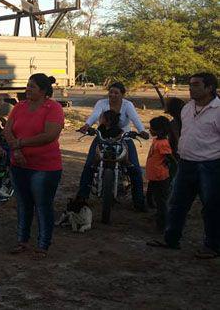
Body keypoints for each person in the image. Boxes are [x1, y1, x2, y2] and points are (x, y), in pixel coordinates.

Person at [148, 72, 220, 259]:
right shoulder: (187, 109)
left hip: (210, 166)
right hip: (186, 163)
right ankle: (171, 239)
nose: (190, 88)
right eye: (190, 84)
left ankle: (212, 246)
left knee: (211, 206)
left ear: (210, 88)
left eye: (196, 85)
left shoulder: (218, 110)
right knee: (177, 203)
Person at [3, 74, 64, 258]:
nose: (27, 89)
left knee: (43, 205)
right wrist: (16, 149)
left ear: (43, 91)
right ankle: (22, 241)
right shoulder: (19, 107)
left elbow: (50, 135)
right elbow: (7, 130)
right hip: (19, 163)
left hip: (44, 167)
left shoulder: (53, 108)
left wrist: (20, 143)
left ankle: (43, 245)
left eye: (32, 86)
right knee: (23, 204)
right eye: (27, 85)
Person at [76, 82, 150, 211]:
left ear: (123, 94)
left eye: (116, 93)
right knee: (89, 166)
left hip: (123, 138)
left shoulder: (128, 105)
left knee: (135, 170)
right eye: (111, 92)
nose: (113, 95)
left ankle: (139, 201)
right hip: (102, 138)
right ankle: (81, 198)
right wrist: (87, 125)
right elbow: (94, 115)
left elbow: (135, 119)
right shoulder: (101, 103)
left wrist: (142, 130)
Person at [144, 116, 174, 232]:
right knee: (155, 198)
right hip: (154, 176)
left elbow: (170, 159)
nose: (150, 130)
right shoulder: (156, 140)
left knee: (161, 201)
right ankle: (159, 219)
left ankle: (162, 225)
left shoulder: (163, 143)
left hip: (160, 177)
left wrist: (170, 170)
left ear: (160, 130)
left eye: (152, 129)